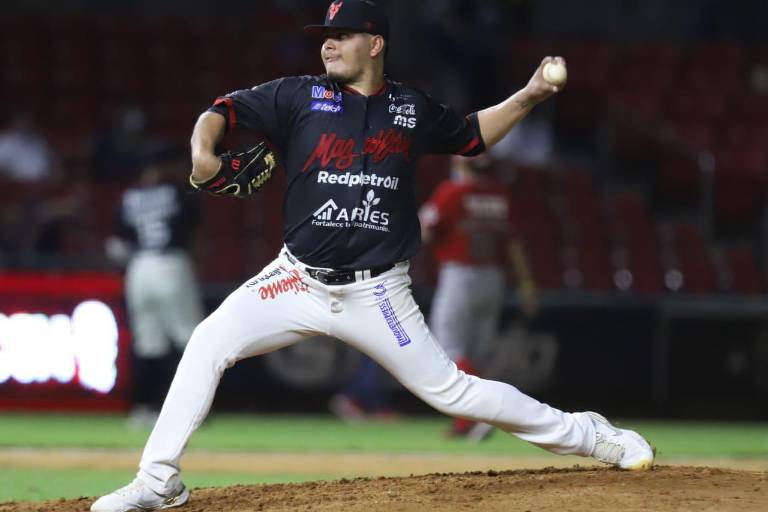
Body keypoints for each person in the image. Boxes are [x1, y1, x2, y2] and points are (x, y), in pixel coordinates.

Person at [92, 2, 654, 510]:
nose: (328, 44)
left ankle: (591, 434)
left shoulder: (410, 108)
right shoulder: (298, 95)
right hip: (295, 279)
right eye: (325, 35)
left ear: (376, 43)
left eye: (342, 34)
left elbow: (472, 136)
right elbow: (221, 112)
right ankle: (159, 480)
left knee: (452, 391)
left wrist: (529, 95)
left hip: (378, 290)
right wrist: (202, 153)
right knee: (207, 342)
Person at [419, 153, 537, 441]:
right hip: (493, 279)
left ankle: (480, 414)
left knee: (449, 351)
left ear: (460, 164)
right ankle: (468, 422)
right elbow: (514, 244)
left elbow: (423, 231)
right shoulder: (499, 195)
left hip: (460, 276)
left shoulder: (452, 191)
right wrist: (526, 283)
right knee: (476, 354)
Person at [104, 146, 204, 427]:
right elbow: (193, 229)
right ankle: (192, 409)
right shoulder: (177, 192)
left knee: (148, 343)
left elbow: (116, 246)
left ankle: (143, 409)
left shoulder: (129, 196)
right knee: (191, 339)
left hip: (138, 268)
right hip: (171, 263)